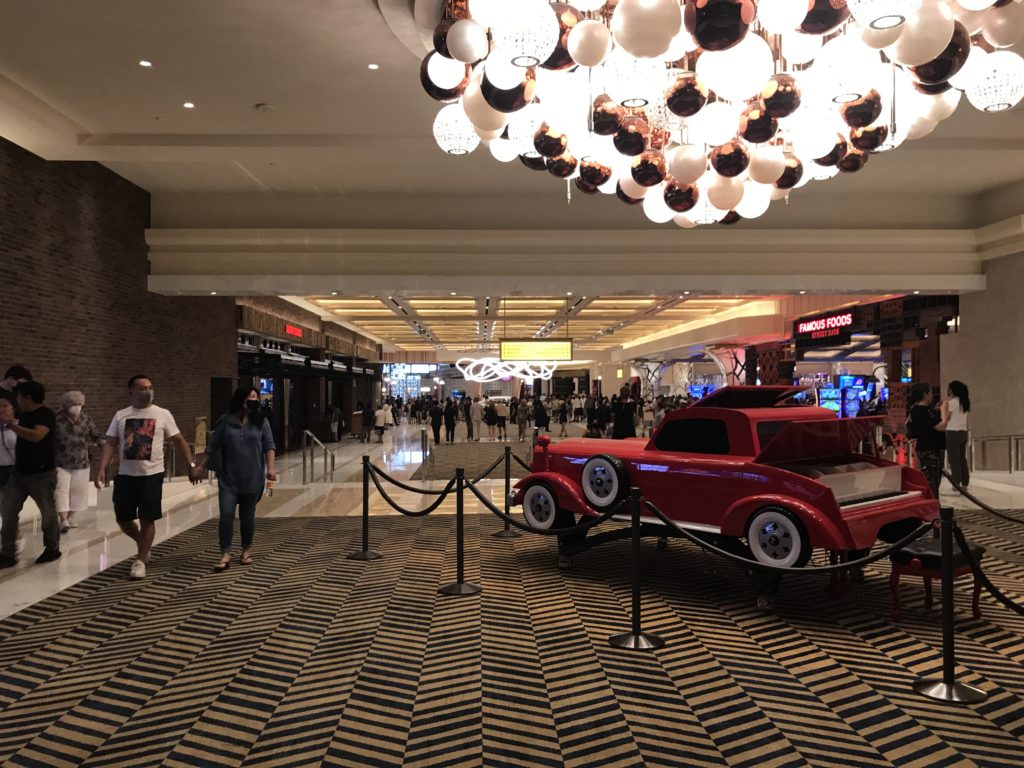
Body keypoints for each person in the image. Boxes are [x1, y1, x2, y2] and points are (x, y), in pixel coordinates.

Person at [95, 375, 197, 579]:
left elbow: (179, 440)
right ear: (131, 391)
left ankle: (140, 560)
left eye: (150, 387)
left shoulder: (162, 414)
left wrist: (190, 465)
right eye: (142, 388)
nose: (147, 391)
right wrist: (101, 468)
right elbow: (111, 443)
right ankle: (144, 544)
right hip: (125, 475)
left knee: (147, 517)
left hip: (152, 474)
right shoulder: (121, 415)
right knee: (123, 518)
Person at [195, 387, 277, 572]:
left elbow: (269, 446)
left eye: (256, 398)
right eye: (250, 398)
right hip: (229, 479)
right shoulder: (226, 421)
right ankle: (225, 552)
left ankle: (246, 550)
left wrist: (270, 468)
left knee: (247, 518)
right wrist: (201, 467)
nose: (253, 401)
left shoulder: (261, 422)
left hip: (253, 478)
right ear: (241, 399)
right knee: (226, 515)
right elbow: (212, 447)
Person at [0, 381, 62, 567]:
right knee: (8, 512)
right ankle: (8, 552)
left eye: (19, 397)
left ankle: (52, 548)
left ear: (28, 397)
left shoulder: (46, 414)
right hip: (19, 473)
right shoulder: (23, 415)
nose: (17, 400)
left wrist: (12, 425)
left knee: (48, 512)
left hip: (42, 474)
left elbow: (36, 436)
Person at [53, 390, 104, 532]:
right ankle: (63, 520)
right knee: (60, 490)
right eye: (74, 404)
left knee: (78, 491)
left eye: (80, 404)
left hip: (81, 460)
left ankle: (70, 517)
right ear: (66, 404)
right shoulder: (56, 419)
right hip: (60, 461)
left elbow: (96, 435)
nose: (77, 407)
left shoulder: (86, 419)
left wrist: (105, 445)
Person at [907, 383, 946, 499]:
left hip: (929, 447)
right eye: (930, 393)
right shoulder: (920, 410)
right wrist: (944, 412)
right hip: (930, 449)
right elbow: (941, 426)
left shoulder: (922, 410)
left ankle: (932, 503)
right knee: (932, 481)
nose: (932, 396)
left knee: (933, 480)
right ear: (925, 394)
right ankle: (932, 505)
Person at [942, 380, 971, 490]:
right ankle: (964, 483)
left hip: (953, 432)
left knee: (954, 459)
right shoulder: (964, 402)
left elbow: (946, 418)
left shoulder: (952, 402)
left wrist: (943, 407)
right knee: (962, 458)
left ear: (952, 390)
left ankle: (956, 484)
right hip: (963, 432)